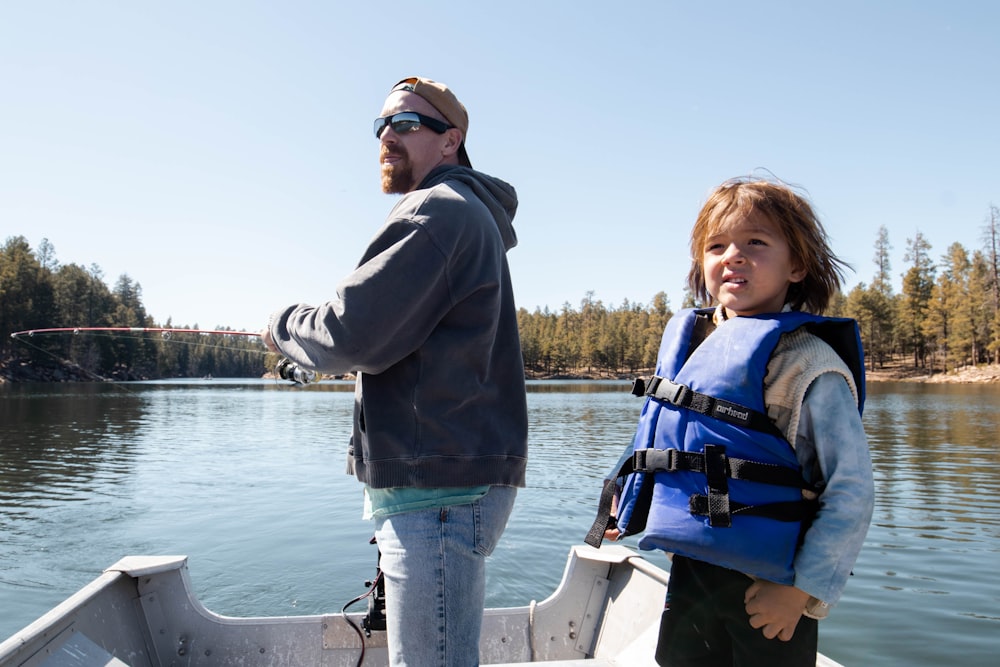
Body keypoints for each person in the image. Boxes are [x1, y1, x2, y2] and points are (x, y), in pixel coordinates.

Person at [263, 76, 527, 667]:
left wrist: (281, 325)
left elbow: (349, 334)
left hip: (438, 487)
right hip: (444, 478)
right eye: (380, 125)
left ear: (450, 140)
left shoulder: (439, 211)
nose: (387, 135)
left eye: (406, 124)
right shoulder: (464, 214)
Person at [589, 176, 874, 666]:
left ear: (797, 265)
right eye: (717, 245)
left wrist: (801, 593)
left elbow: (851, 490)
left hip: (770, 584)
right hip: (691, 570)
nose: (733, 256)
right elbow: (656, 431)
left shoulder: (807, 364)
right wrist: (621, 491)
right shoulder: (689, 344)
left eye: (756, 243)